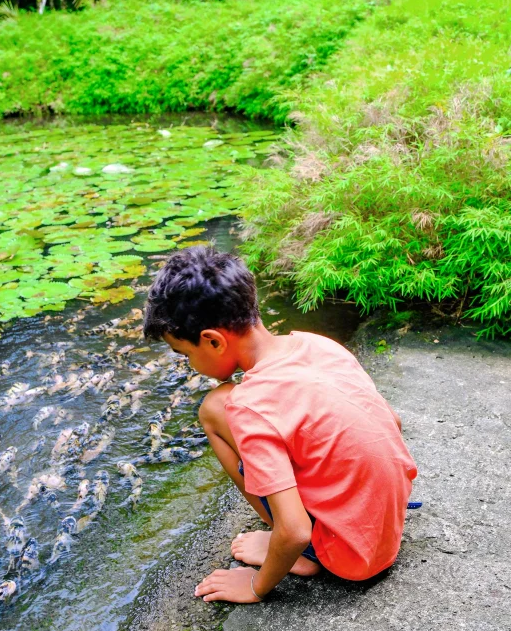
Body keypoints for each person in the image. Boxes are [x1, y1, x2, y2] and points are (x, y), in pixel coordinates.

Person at [143, 244, 418, 604]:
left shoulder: (250, 405)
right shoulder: (316, 344)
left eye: (186, 354)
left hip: (351, 558)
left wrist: (256, 585)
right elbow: (391, 422)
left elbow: (296, 530)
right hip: (386, 524)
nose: (190, 364)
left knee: (214, 409)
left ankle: (307, 559)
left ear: (212, 340)